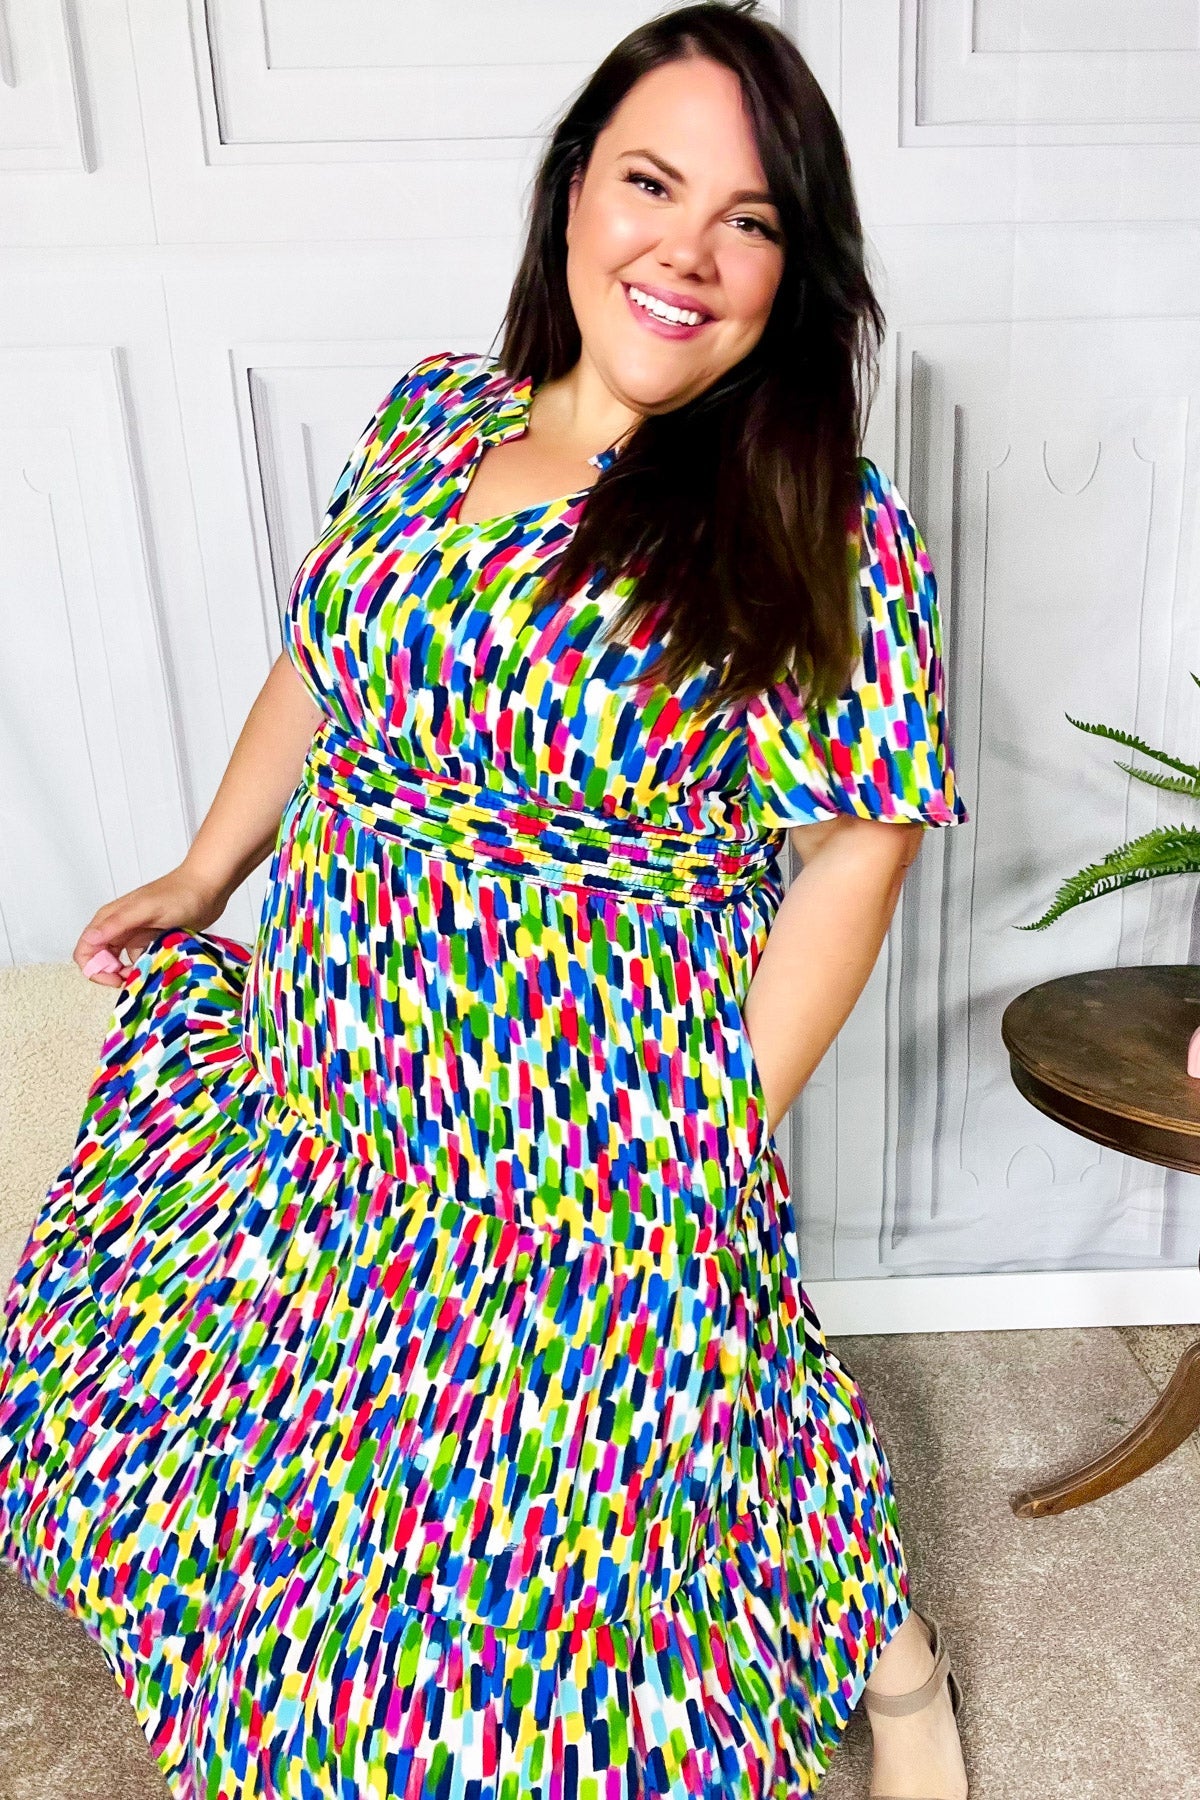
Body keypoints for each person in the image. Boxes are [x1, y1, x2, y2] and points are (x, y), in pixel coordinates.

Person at [0, 4, 971, 1795]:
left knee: (623, 1527)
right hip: (334, 1083)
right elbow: (324, 663)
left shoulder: (815, 517)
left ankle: (893, 1661)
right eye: (652, 184)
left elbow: (863, 846)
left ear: (795, 267)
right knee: (291, 1501)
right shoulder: (432, 415)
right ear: (574, 192)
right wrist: (207, 868)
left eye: (750, 219)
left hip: (589, 1132)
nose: (688, 251)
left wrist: (707, 1138)